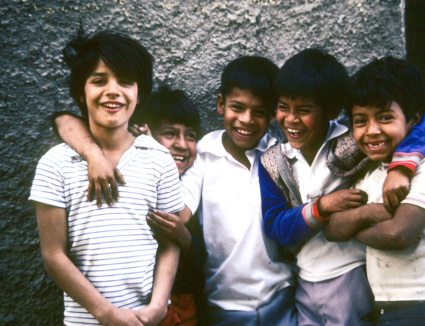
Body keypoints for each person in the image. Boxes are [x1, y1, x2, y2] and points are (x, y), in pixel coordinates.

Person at [258, 49, 425, 325]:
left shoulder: (353, 140)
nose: (291, 119)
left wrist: (401, 167)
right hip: (305, 280)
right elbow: (275, 227)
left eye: (305, 110)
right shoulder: (274, 161)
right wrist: (321, 207)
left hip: (355, 274)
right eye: (283, 107)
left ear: (331, 110)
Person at [29, 28, 183, 326]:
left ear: (140, 95)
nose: (113, 90)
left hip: (146, 319)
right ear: (81, 92)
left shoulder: (158, 159)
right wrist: (106, 314)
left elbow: (169, 241)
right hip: (86, 320)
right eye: (99, 81)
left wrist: (158, 307)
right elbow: (53, 254)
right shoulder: (55, 164)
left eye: (125, 81)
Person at [323, 57, 425, 325]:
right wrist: (370, 212)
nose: (372, 131)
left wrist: (353, 226)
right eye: (360, 121)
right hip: (386, 310)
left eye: (385, 118)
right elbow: (332, 229)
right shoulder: (368, 172)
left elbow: (398, 234)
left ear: (413, 118)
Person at [149, 56, 296, 325]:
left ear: (273, 114)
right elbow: (179, 212)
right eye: (237, 107)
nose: (246, 120)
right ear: (220, 104)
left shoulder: (278, 155)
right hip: (223, 306)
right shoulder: (204, 154)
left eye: (260, 112)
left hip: (282, 299)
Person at [133, 84, 205, 326]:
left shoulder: (192, 185)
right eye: (170, 133)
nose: (182, 145)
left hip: (183, 305)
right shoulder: (128, 176)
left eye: (190, 136)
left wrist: (184, 237)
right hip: (130, 306)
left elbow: (204, 258)